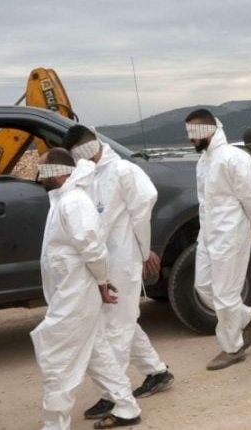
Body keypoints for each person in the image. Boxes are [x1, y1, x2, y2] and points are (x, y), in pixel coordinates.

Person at [61, 126, 174, 420]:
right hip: (102, 263)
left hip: (123, 259)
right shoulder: (87, 175)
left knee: (116, 327)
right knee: (121, 320)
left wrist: (145, 251)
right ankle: (156, 371)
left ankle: (113, 395)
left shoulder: (124, 171)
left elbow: (144, 207)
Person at [30, 148, 141, 429]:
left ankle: (55, 424)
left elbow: (93, 248)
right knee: (97, 351)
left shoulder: (74, 202)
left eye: (43, 170)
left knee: (57, 358)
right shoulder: (63, 200)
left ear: (58, 172)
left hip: (76, 296)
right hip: (70, 292)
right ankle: (126, 407)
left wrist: (102, 281)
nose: (39, 176)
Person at [185, 109, 251, 370]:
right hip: (208, 232)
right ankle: (248, 319)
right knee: (203, 286)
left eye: (193, 133)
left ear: (208, 130)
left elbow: (249, 197)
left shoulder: (234, 157)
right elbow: (203, 202)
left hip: (231, 231)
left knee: (225, 293)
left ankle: (232, 347)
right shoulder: (203, 162)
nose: (190, 139)